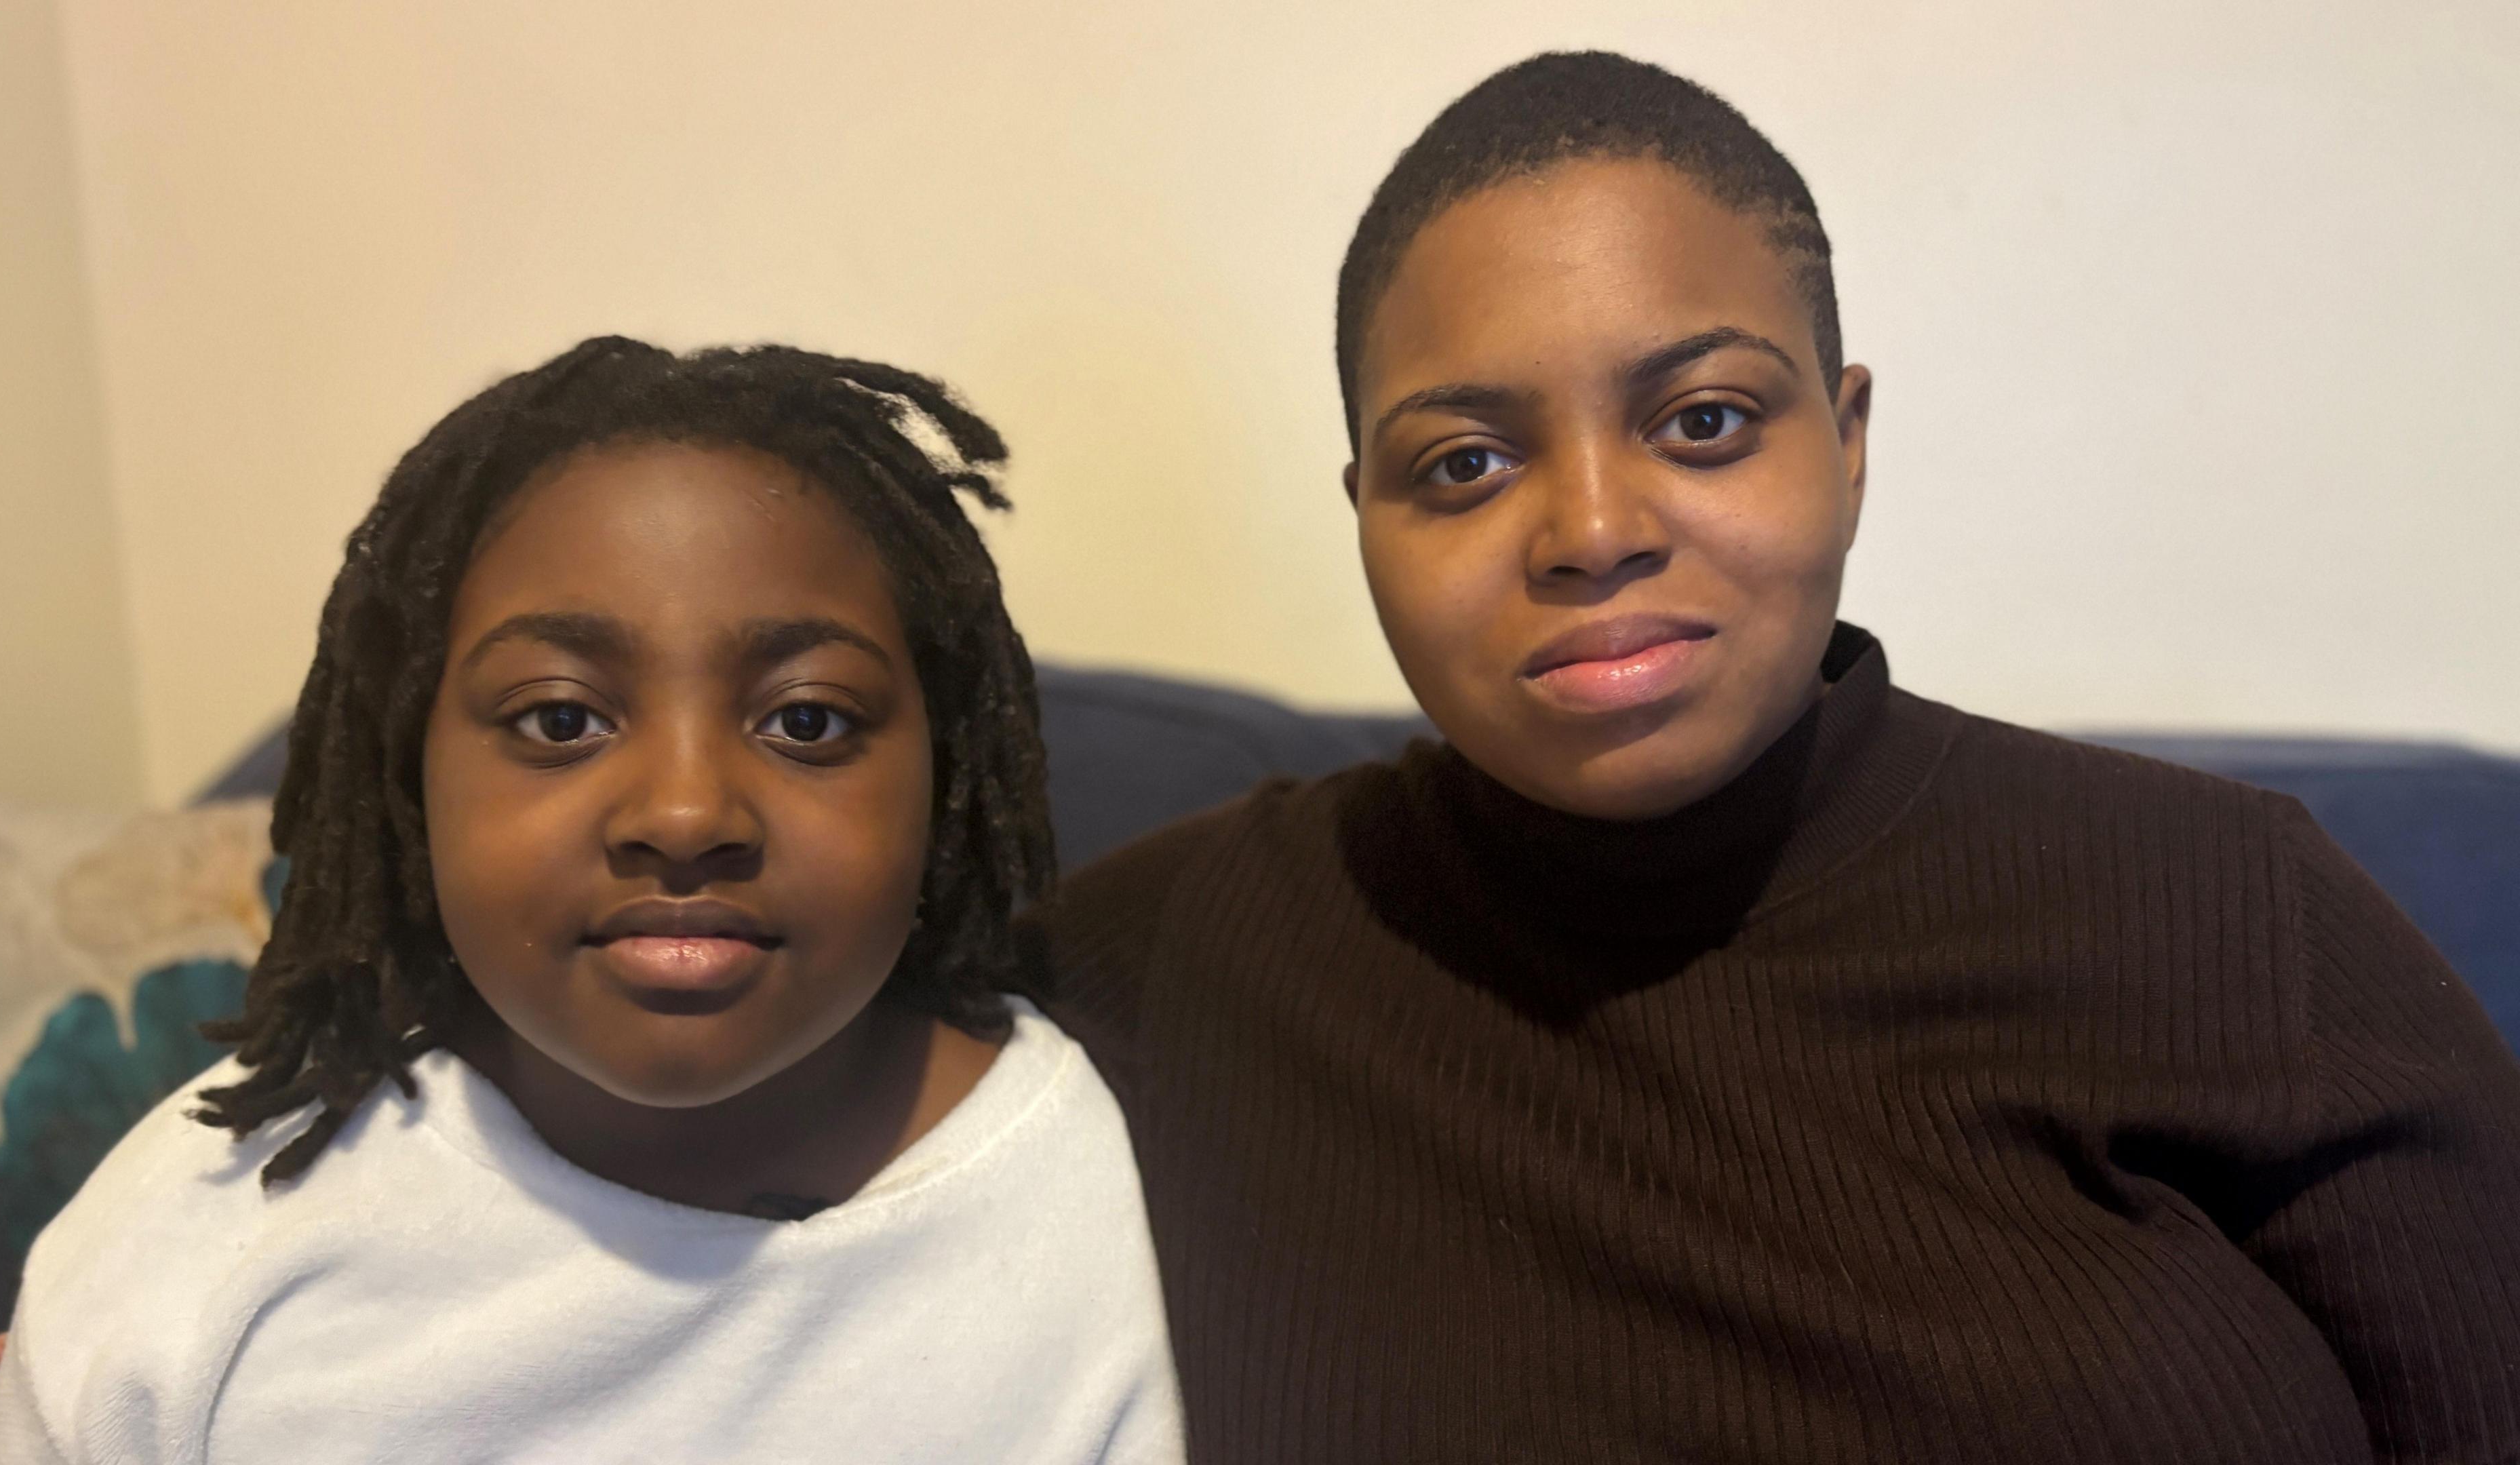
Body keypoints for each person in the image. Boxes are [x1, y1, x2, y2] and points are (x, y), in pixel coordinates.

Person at [1030, 51, 2520, 1463]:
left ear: (1847, 441)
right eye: (1465, 464)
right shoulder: (1177, 960)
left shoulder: (2234, 910)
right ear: (1365, 511)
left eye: (1705, 421)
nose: (1596, 532)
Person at [0, 338, 1182, 1463]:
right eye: (561, 719)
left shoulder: (1134, 1199)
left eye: (806, 721)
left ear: (949, 775)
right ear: (411, 775)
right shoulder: (200, 1237)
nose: (686, 813)